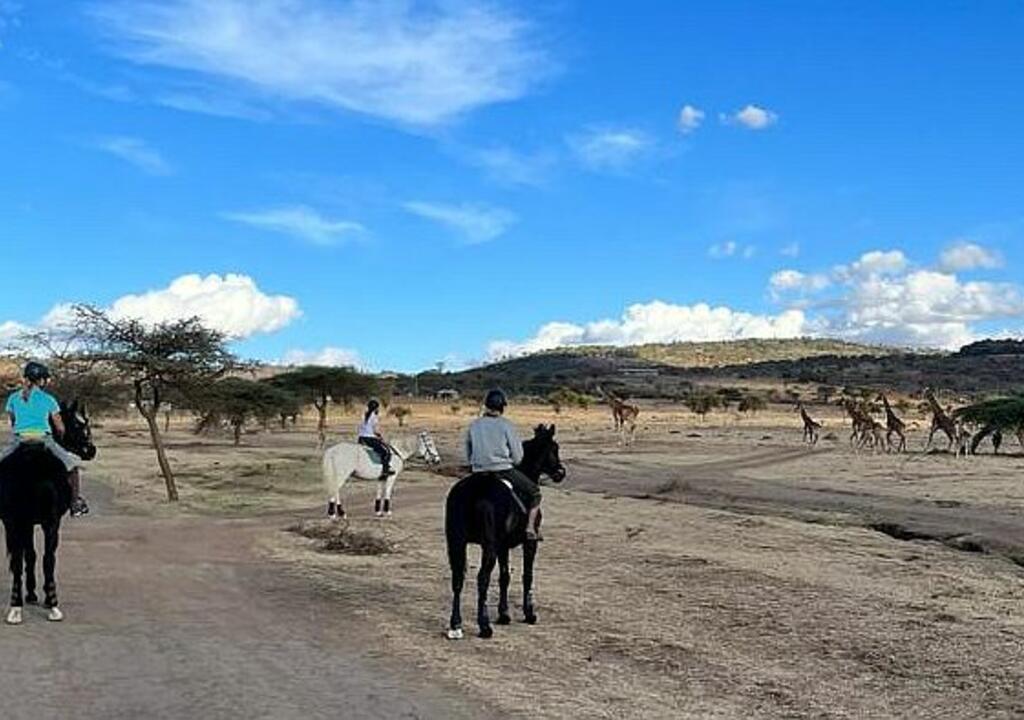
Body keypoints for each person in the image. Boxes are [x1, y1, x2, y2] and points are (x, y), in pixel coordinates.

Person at [0, 361, 89, 517]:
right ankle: (75, 503)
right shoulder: (48, 399)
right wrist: (59, 437)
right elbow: (60, 427)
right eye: (45, 379)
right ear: (40, 380)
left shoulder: (13, 398)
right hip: (44, 440)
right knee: (73, 468)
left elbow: (13, 421)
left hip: (19, 440)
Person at [465, 388, 542, 541]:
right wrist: (513, 462)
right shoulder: (506, 425)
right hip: (502, 470)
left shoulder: (474, 425)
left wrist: (475, 464)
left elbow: (468, 451)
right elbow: (518, 455)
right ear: (502, 407)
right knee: (535, 492)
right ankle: (530, 528)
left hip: (478, 471)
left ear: (487, 405)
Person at [357, 399, 393, 478]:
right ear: (376, 408)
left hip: (361, 438)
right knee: (385, 452)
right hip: (370, 439)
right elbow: (375, 430)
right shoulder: (374, 417)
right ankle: (385, 471)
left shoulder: (363, 415)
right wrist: (380, 436)